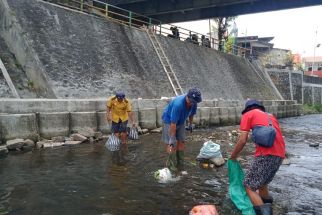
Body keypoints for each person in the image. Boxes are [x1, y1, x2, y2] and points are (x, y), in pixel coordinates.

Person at [230, 99, 285, 215]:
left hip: (266, 155)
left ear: (248, 109)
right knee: (262, 183)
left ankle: (264, 213)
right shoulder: (271, 117)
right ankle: (269, 207)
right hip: (280, 155)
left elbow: (242, 140)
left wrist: (233, 156)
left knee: (248, 185)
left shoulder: (248, 114)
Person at [161, 88, 202, 173]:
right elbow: (173, 124)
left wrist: (190, 124)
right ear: (187, 96)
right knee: (172, 143)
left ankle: (180, 163)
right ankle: (171, 165)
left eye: (194, 102)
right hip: (169, 120)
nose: (192, 103)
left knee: (182, 141)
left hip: (181, 121)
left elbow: (191, 114)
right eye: (190, 101)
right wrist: (172, 138)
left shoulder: (194, 102)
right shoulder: (178, 104)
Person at [106, 92, 136, 157]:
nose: (120, 100)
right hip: (115, 117)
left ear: (123, 98)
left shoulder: (126, 102)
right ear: (117, 97)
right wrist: (108, 116)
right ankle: (116, 143)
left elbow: (130, 112)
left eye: (121, 99)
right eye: (119, 99)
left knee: (123, 131)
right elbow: (108, 107)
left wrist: (133, 121)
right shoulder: (112, 99)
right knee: (116, 131)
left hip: (124, 118)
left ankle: (123, 143)